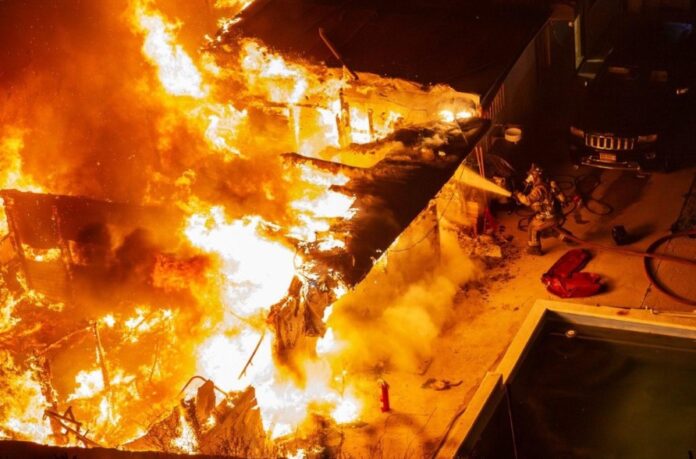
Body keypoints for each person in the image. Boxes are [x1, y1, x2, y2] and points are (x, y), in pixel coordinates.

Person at [514, 164, 567, 255]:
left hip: (548, 216)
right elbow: (561, 198)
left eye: (530, 175)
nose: (529, 177)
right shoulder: (548, 183)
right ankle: (567, 238)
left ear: (535, 176)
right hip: (555, 214)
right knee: (547, 229)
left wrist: (518, 194)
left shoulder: (538, 189)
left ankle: (534, 249)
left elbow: (527, 201)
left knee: (533, 228)